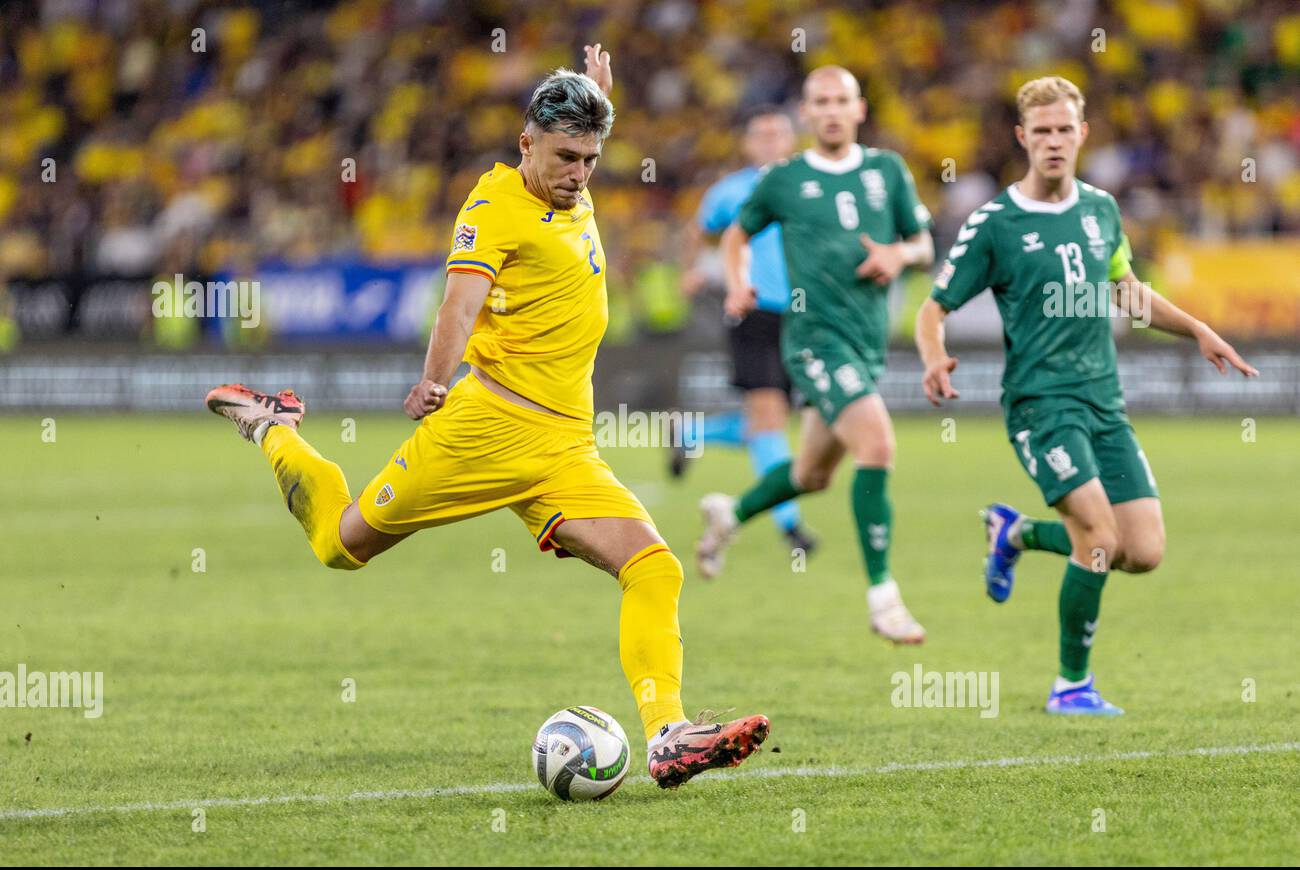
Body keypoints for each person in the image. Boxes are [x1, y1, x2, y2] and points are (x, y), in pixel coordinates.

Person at [205, 46, 768, 787]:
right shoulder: (494, 206)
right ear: (525, 140)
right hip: (487, 430)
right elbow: (459, 305)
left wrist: (596, 91)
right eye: (566, 157)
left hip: (565, 444)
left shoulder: (571, 176)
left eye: (592, 160)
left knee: (653, 567)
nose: (580, 175)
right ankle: (272, 425)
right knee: (342, 546)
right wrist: (431, 384)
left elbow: (583, 125)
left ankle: (667, 733)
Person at [915, 76, 1258, 714]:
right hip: (1042, 408)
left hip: (1105, 404)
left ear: (1082, 134)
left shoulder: (1101, 208)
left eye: (1063, 129)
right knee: (1098, 537)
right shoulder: (996, 223)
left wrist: (1198, 330)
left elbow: (1126, 290)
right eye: (1040, 131)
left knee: (1142, 551)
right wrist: (934, 357)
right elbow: (933, 308)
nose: (1052, 141)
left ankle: (1012, 535)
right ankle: (1071, 684)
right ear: (1022, 137)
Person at [697, 65, 935, 645]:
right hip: (813, 342)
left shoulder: (888, 172)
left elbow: (924, 243)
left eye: (842, 100)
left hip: (865, 342)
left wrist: (898, 257)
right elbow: (736, 232)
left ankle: (731, 513)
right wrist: (736, 282)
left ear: (859, 109)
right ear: (806, 114)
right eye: (820, 101)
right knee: (876, 445)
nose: (831, 110)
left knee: (811, 474)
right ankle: (884, 597)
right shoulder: (785, 179)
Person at [675, 105, 817, 557]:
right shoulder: (730, 191)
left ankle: (692, 435)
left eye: (778, 133)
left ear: (791, 140)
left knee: (768, 422)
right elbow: (696, 229)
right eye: (761, 135)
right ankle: (790, 526)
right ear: (749, 143)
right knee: (770, 417)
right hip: (751, 309)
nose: (770, 141)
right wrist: (691, 270)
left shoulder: (810, 183)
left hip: (803, 314)